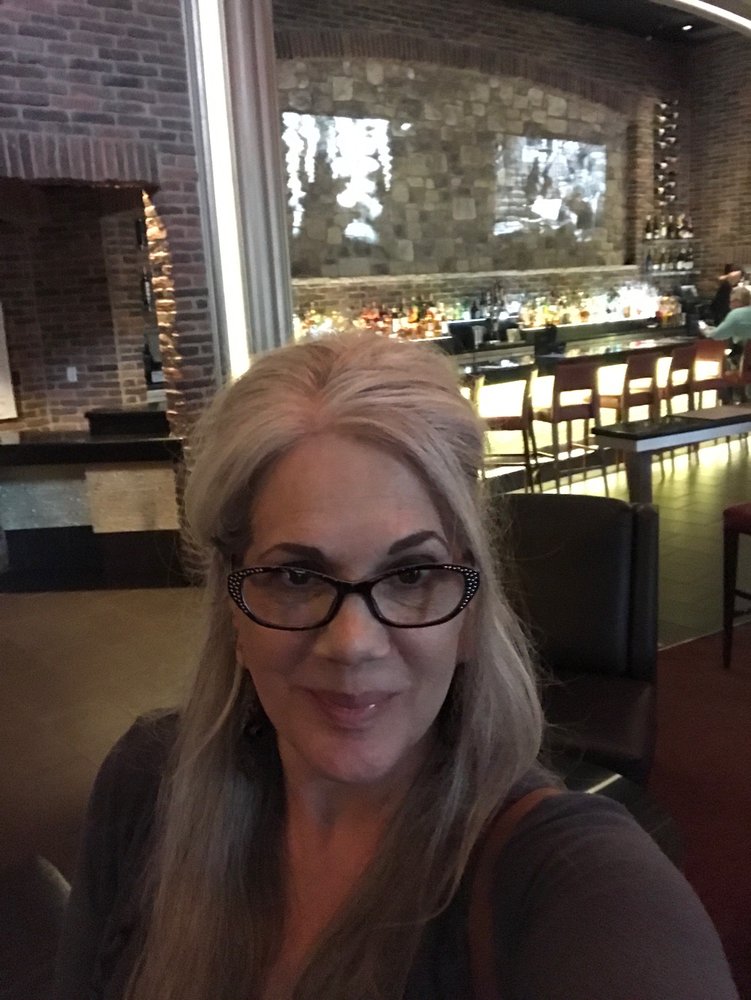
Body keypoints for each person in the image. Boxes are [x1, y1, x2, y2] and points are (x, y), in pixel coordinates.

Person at [54, 332, 739, 1000]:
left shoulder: (570, 882)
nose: (354, 643)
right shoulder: (145, 785)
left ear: (470, 610)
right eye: (296, 576)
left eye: (411, 575)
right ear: (233, 611)